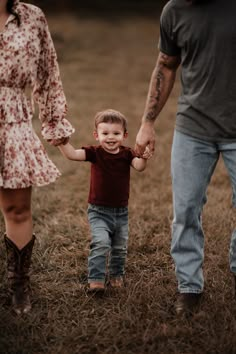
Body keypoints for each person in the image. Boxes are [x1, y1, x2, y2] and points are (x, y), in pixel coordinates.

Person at [135, 0, 236, 316]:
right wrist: (147, 123)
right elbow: (166, 64)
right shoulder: (174, 11)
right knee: (186, 210)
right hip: (193, 128)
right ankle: (189, 287)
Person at [0, 0, 74, 315]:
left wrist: (54, 120)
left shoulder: (31, 16)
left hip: (13, 121)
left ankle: (19, 285)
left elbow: (47, 73)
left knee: (17, 209)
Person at [58, 109, 151, 292]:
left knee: (119, 247)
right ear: (96, 135)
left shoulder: (127, 154)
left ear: (124, 135)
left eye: (116, 133)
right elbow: (72, 154)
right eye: (105, 133)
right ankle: (96, 279)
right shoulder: (95, 153)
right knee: (100, 243)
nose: (110, 137)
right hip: (98, 211)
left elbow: (139, 167)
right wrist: (62, 143)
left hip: (121, 212)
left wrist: (144, 157)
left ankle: (116, 275)